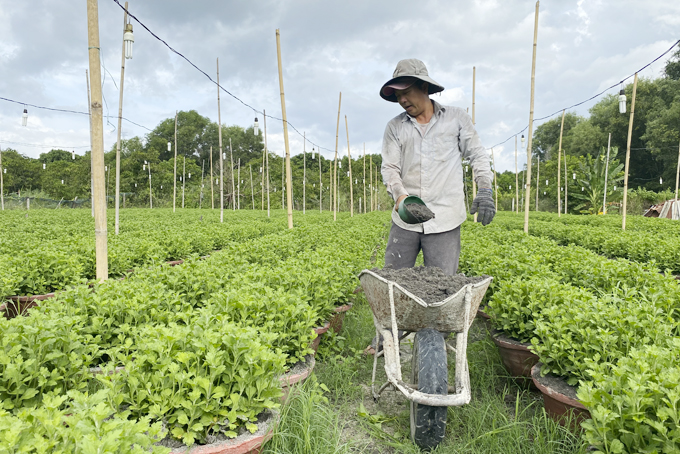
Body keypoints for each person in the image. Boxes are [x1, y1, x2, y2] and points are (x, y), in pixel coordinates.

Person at [380, 58, 495, 275]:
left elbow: (477, 154)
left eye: (406, 92)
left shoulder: (456, 118)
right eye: (397, 96)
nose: (402, 100)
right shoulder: (395, 127)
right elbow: (390, 168)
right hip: (405, 218)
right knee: (393, 281)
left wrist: (485, 189)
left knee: (442, 285)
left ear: (424, 87)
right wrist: (400, 197)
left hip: (445, 218)